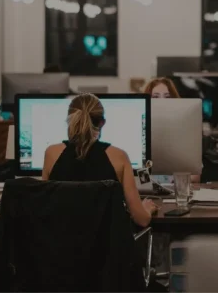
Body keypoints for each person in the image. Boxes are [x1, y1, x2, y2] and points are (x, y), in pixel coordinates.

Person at [41, 93, 158, 227]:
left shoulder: (51, 153)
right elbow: (141, 220)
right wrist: (147, 209)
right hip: (107, 247)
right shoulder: (119, 156)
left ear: (70, 120)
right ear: (102, 122)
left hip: (59, 246)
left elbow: (44, 208)